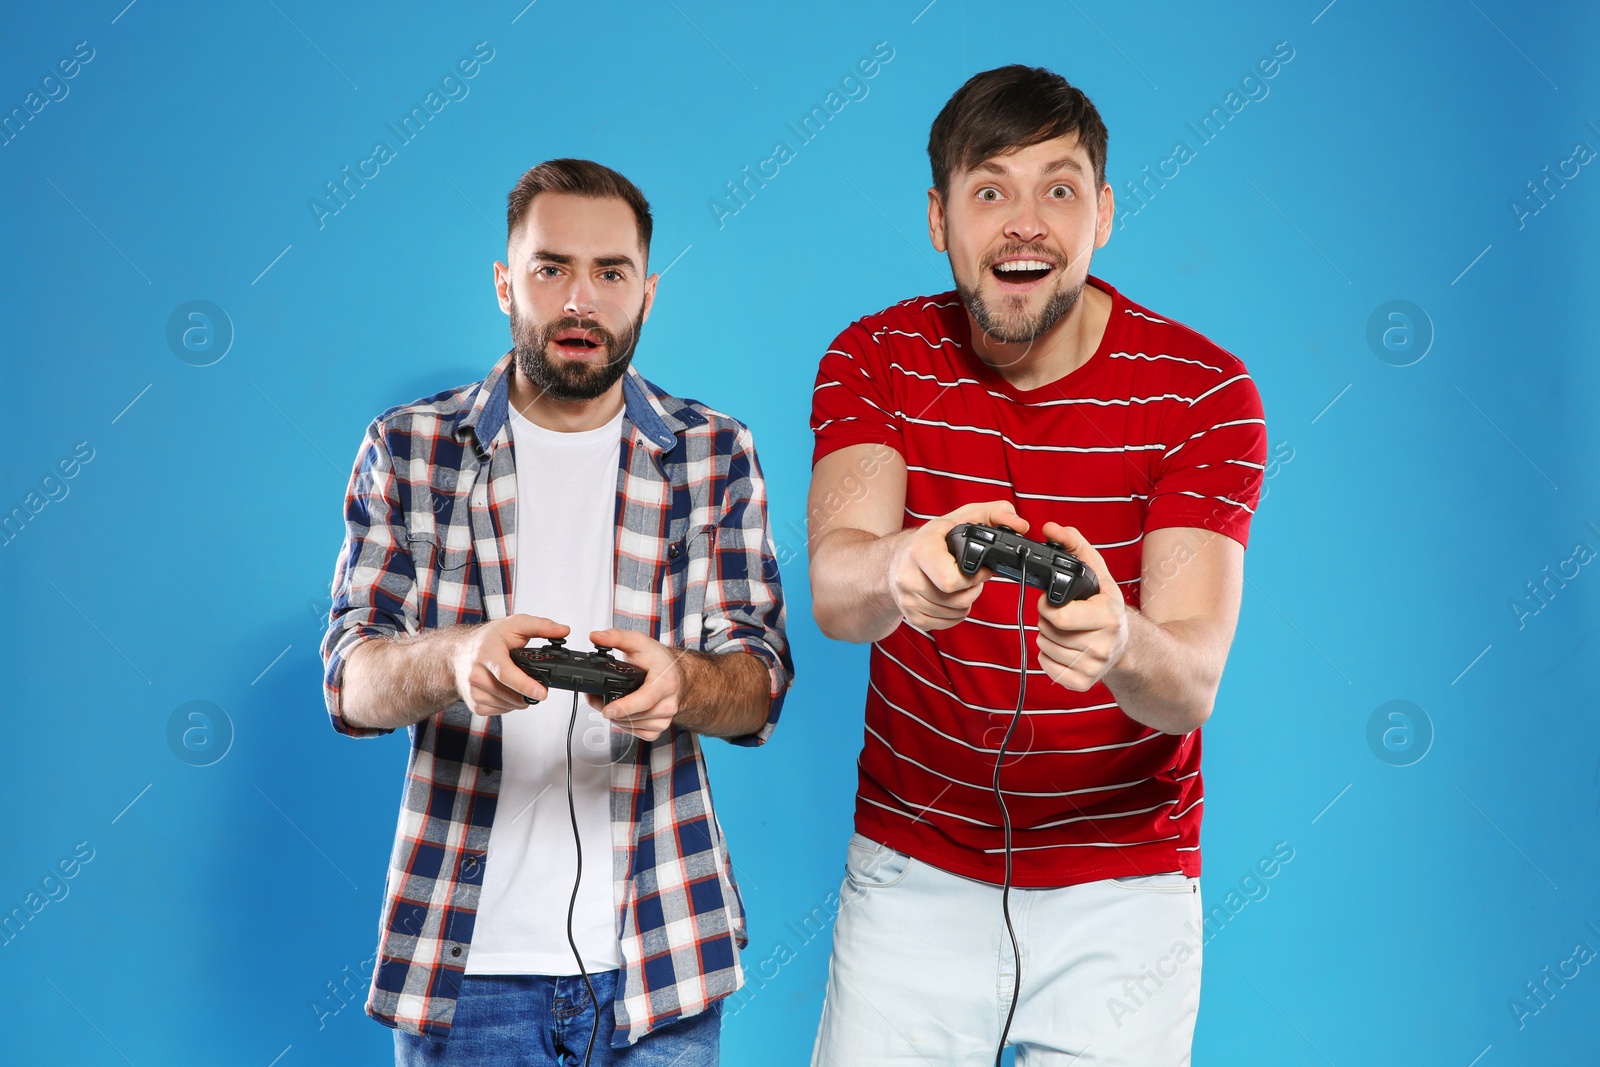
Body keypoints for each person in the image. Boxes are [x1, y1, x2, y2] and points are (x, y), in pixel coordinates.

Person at [806, 66, 1267, 1065]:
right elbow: (837, 588)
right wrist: (901, 567)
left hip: (1124, 889)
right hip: (910, 869)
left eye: (1057, 189)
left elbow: (1188, 681)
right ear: (938, 218)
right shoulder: (875, 356)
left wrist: (1119, 639)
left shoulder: (1203, 393)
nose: (1023, 223)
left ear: (1103, 211)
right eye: (988, 189)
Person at [319, 158, 794, 1067]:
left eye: (610, 273)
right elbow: (350, 681)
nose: (581, 299)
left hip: (663, 961)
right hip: (467, 973)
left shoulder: (713, 453)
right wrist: (456, 661)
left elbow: (758, 685)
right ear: (506, 282)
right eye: (551, 268)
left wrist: (680, 683)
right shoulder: (411, 448)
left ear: (646, 292)